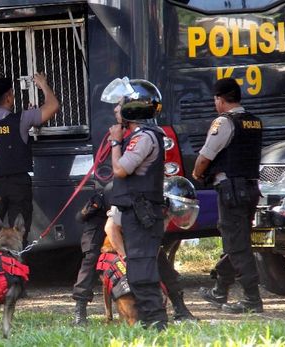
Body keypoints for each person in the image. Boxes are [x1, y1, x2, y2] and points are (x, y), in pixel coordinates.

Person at [192, 77, 263, 314]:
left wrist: (197, 174)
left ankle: (252, 300)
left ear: (220, 100)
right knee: (236, 240)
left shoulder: (223, 123)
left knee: (238, 244)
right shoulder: (254, 121)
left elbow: (205, 157)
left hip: (231, 190)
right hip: (251, 189)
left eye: (215, 100)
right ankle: (220, 290)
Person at [104, 77, 168, 330]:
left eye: (120, 104)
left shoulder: (143, 138)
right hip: (136, 213)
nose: (115, 109)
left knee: (141, 271)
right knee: (137, 269)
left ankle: (156, 324)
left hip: (143, 215)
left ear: (134, 107)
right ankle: (149, 323)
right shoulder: (141, 135)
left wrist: (114, 142)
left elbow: (120, 170)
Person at [104, 176, 200, 322]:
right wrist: (124, 256)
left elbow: (157, 236)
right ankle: (84, 309)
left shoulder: (164, 210)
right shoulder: (129, 195)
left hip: (144, 242)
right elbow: (110, 228)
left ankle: (180, 310)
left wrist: (152, 260)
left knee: (167, 272)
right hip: (119, 243)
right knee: (127, 278)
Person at [0, 74, 59, 246]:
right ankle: (15, 270)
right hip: (19, 185)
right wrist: (43, 84)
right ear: (9, 96)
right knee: (19, 236)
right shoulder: (22, 119)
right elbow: (53, 106)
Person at [71, 187, 109, 325]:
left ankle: (178, 306)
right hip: (96, 237)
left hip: (124, 233)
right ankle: (80, 312)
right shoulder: (104, 194)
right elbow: (80, 217)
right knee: (90, 264)